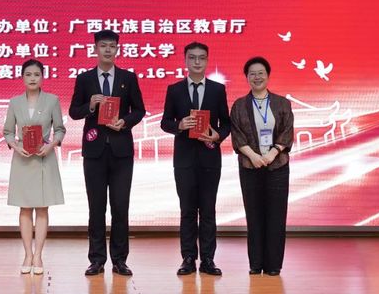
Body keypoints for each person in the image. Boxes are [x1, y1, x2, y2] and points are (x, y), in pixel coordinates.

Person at [69, 30, 146, 277]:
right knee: (96, 207)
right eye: (103, 46)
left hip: (121, 151)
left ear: (117, 50)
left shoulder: (128, 78)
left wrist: (125, 122)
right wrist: (91, 105)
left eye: (112, 46)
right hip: (94, 151)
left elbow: (139, 110)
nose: (108, 50)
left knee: (120, 207)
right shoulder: (84, 79)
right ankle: (97, 259)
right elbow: (74, 111)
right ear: (95, 49)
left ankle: (120, 260)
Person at [161, 41, 230, 276]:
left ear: (207, 61)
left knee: (208, 210)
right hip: (184, 160)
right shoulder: (175, 90)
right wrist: (179, 125)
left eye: (201, 58)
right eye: (192, 57)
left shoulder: (217, 90)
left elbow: (226, 123)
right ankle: (188, 258)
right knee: (187, 210)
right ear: (185, 60)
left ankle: (208, 259)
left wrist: (218, 135)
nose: (197, 62)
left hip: (210, 158)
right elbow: (165, 122)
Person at [230, 56, 294, 276]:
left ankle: (273, 265)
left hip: (278, 166)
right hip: (250, 166)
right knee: (254, 215)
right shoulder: (239, 105)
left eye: (261, 73)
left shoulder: (282, 103)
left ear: (268, 75)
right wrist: (254, 157)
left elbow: (287, 132)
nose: (257, 77)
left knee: (276, 215)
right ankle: (255, 264)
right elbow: (237, 135)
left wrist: (272, 154)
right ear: (247, 77)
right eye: (252, 74)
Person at [3, 59, 66, 275]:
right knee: (24, 208)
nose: (32, 78)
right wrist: (15, 146)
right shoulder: (14, 102)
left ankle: (38, 255)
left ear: (42, 77)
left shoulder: (52, 100)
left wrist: (51, 145)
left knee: (42, 208)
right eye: (28, 74)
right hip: (22, 159)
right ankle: (27, 254)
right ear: (22, 77)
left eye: (36, 75)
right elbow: (8, 132)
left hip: (43, 159)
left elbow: (60, 129)